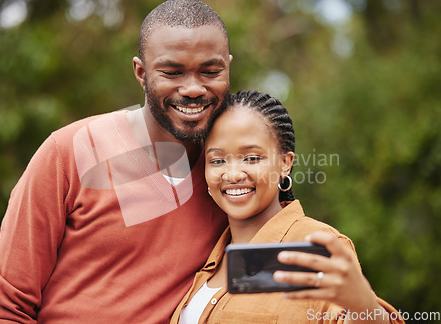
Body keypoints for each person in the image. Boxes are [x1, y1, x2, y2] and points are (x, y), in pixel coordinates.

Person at [0, 0, 232, 323]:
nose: (194, 88)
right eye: (172, 72)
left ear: (227, 67)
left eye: (210, 71)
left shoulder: (231, 179)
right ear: (141, 73)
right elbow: (6, 310)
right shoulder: (69, 152)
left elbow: (272, 259)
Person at [171, 90, 404, 324]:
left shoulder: (312, 246)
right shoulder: (205, 257)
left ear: (285, 163)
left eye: (252, 158)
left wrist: (362, 305)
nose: (232, 174)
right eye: (217, 161)